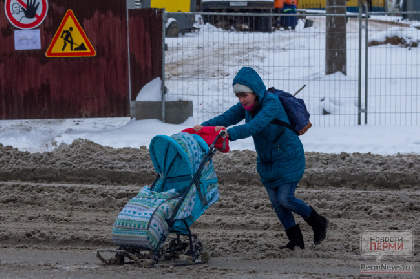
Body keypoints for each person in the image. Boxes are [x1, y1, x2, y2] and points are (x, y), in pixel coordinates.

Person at [193, 67, 329, 250]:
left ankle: (318, 221)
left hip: (288, 157)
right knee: (277, 203)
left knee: (285, 199)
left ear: (255, 92)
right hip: (267, 161)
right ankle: (296, 241)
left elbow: (254, 126)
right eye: (238, 97)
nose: (242, 100)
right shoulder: (246, 107)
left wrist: (229, 134)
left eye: (244, 96)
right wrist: (202, 129)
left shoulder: (271, 104)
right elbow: (226, 117)